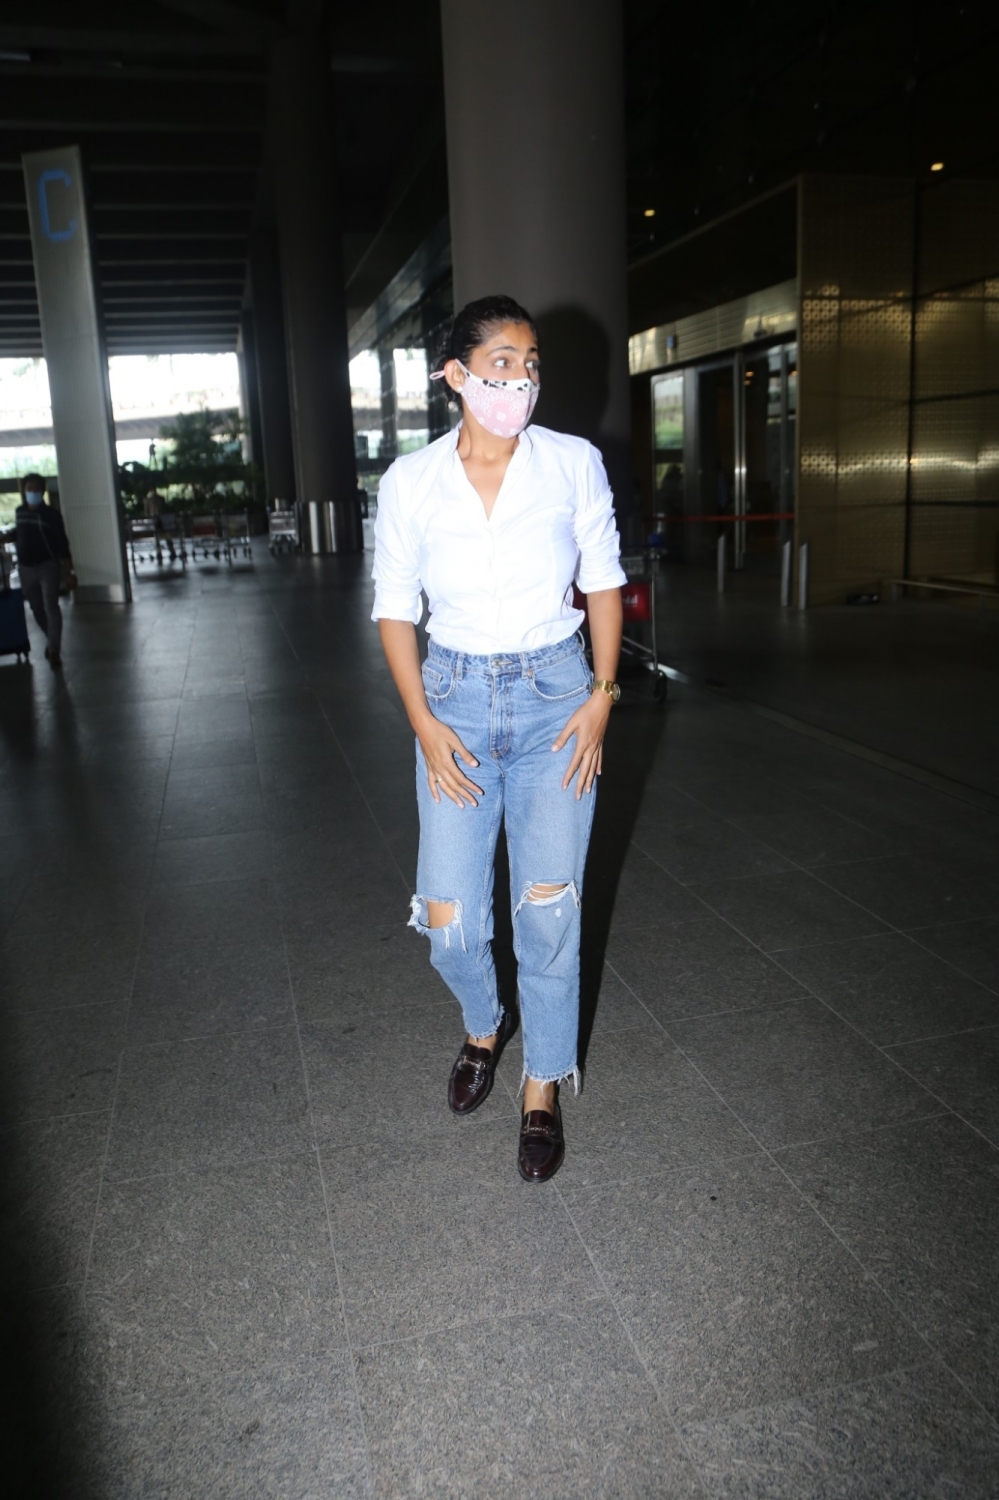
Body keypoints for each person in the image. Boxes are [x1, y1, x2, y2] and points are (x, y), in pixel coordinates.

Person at [372, 295, 625, 1183]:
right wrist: (423, 724)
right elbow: (396, 610)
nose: (518, 380)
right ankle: (485, 1021)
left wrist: (601, 694)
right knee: (447, 919)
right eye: (501, 364)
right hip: (455, 701)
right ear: (455, 376)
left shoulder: (571, 463)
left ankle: (541, 1085)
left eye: (529, 364)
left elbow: (602, 582)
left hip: (558, 695)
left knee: (549, 913)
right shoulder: (411, 482)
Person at [10, 473, 72, 669]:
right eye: (29, 489)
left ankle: (54, 649)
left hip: (47, 565)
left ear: (43, 491)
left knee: (50, 605)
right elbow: (20, 533)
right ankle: (51, 638)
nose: (32, 492)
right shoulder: (20, 511)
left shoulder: (51, 515)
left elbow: (62, 542)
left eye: (36, 488)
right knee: (36, 607)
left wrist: (69, 570)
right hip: (25, 567)